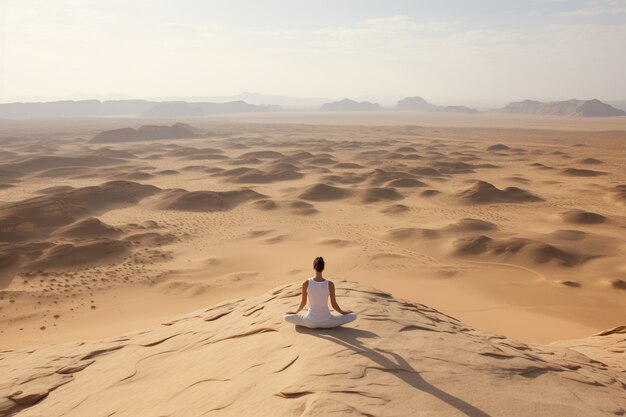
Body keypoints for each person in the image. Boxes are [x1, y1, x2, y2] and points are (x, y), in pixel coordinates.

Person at [283, 256, 357, 328]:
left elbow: (303, 303)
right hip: (327, 321)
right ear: (323, 268)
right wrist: (344, 313)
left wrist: (295, 312)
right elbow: (334, 305)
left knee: (286, 316)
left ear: (314, 267)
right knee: (353, 315)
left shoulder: (306, 283)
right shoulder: (330, 284)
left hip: (310, 321)